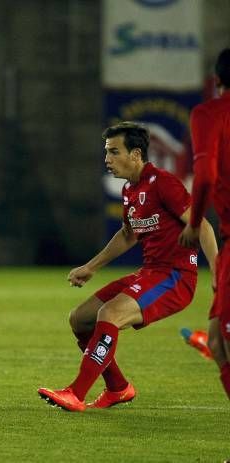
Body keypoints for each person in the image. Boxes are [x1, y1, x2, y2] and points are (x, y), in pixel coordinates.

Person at [38, 121, 218, 412]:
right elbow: (128, 234)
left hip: (175, 277)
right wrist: (91, 267)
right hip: (150, 273)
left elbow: (203, 226)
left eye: (114, 152)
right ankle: (118, 388)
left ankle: (76, 393)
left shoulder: (163, 183)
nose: (107, 159)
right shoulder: (129, 190)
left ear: (136, 155)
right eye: (106, 152)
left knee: (109, 313)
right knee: (80, 318)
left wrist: (219, 270)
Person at [178, 48, 230, 400]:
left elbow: (207, 175)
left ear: (217, 80)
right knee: (216, 340)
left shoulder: (210, 114)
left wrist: (194, 223)